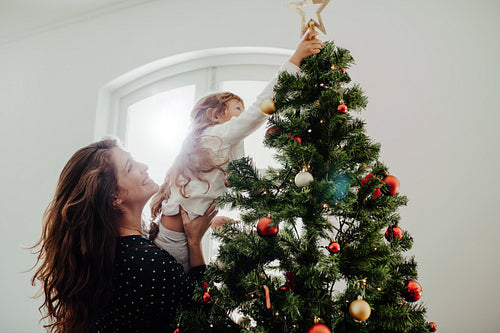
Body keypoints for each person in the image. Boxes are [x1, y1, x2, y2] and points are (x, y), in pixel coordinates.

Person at [149, 30, 323, 271]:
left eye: (242, 109)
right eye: (237, 108)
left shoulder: (215, 145)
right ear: (216, 115)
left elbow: (203, 194)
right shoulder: (213, 134)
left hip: (174, 238)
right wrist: (294, 61)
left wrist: (214, 223)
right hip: (173, 243)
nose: (242, 115)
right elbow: (258, 110)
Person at [30, 138, 216, 333]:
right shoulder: (149, 264)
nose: (144, 166)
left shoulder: (111, 253)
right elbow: (206, 316)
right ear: (114, 197)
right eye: (130, 167)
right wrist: (195, 243)